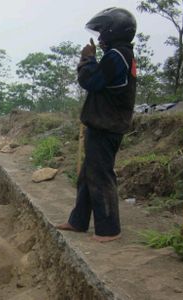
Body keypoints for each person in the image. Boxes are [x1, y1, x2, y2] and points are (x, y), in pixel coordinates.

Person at [57, 7, 137, 242]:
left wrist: (87, 58)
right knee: (87, 175)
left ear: (115, 32)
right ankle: (78, 221)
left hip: (107, 125)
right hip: (104, 124)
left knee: (101, 175)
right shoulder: (120, 54)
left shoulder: (117, 55)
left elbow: (90, 80)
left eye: (103, 32)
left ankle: (109, 229)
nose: (100, 38)